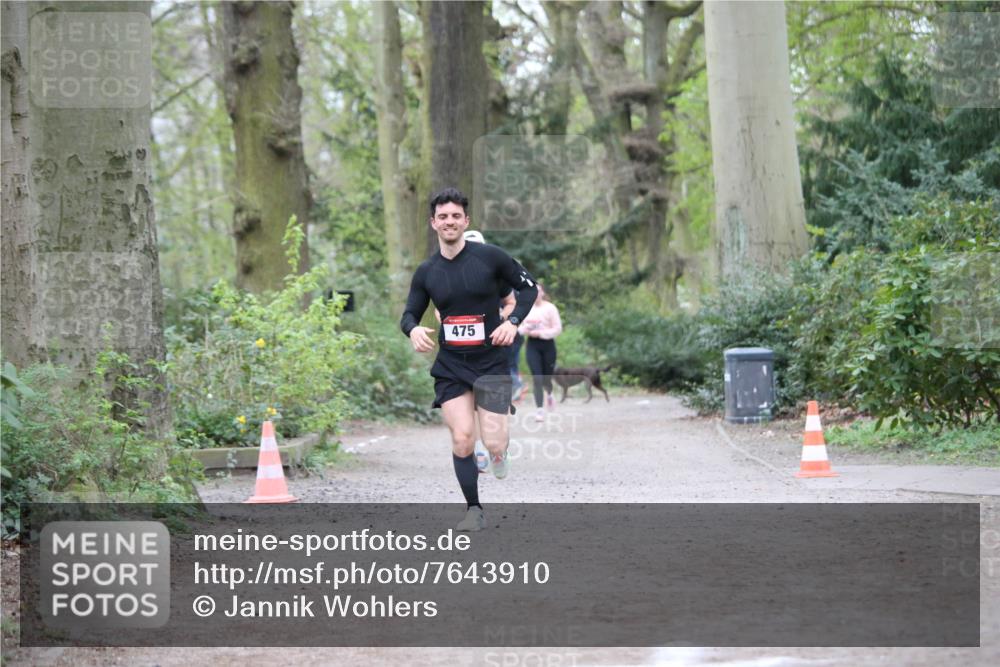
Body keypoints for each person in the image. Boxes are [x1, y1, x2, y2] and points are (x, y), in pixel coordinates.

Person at [400, 188, 538, 532]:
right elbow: (409, 314)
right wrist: (413, 330)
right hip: (451, 365)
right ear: (433, 223)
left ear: (466, 221)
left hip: (491, 362)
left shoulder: (491, 258)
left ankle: (499, 453)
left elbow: (529, 288)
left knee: (494, 441)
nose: (449, 221)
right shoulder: (427, 271)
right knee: (462, 438)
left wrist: (512, 322)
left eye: (455, 216)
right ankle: (473, 509)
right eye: (443, 216)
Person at [518, 284, 562, 422]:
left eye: (538, 291)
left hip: (548, 345)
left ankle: (549, 394)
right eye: (533, 291)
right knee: (537, 377)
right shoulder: (526, 308)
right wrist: (525, 330)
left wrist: (541, 333)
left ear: (543, 293)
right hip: (532, 345)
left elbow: (557, 329)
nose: (536, 294)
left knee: (546, 377)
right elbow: (519, 327)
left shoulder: (550, 308)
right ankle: (539, 410)